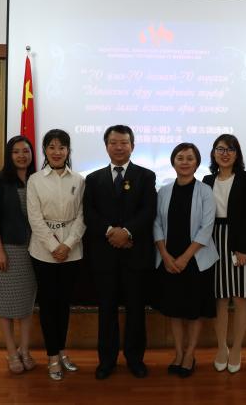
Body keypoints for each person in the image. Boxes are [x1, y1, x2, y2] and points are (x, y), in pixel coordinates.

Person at [84, 125, 157, 380]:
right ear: (106, 146)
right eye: (113, 142)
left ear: (132, 146)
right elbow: (89, 213)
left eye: (124, 142)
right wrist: (111, 233)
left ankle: (135, 359)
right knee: (106, 310)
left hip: (135, 254)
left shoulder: (146, 176)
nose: (118, 147)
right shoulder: (93, 179)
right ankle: (106, 361)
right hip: (105, 256)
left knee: (136, 310)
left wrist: (126, 232)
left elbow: (148, 211)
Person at [153, 143, 218, 378]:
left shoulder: (205, 191)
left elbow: (207, 227)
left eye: (190, 158)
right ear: (173, 162)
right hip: (168, 260)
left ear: (197, 163)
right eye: (180, 157)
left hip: (196, 260)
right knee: (174, 310)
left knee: (193, 311)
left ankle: (190, 354)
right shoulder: (163, 191)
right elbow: (156, 224)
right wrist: (165, 255)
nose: (184, 162)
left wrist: (185, 258)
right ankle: (178, 353)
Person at [27, 129, 86, 381]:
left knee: (63, 305)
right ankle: (51, 356)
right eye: (51, 147)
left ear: (68, 150)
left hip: (72, 251)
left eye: (61, 147)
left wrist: (68, 245)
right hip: (43, 252)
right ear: (45, 150)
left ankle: (62, 351)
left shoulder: (79, 180)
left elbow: (82, 216)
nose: (57, 152)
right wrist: (54, 247)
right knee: (49, 305)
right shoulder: (35, 180)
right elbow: (35, 218)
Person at [202, 134, 246, 374]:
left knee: (240, 297)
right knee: (220, 298)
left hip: (238, 242)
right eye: (220, 149)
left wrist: (244, 248)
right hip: (214, 241)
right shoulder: (207, 180)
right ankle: (221, 348)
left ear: (237, 154)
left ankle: (237, 348)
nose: (225, 153)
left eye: (230, 149)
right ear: (214, 153)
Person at [0, 135, 37, 374]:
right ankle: (11, 352)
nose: (21, 155)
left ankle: (25, 349)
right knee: (6, 303)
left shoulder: (37, 179)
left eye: (25, 151)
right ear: (9, 155)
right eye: (16, 151)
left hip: (34, 248)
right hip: (8, 248)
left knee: (26, 303)